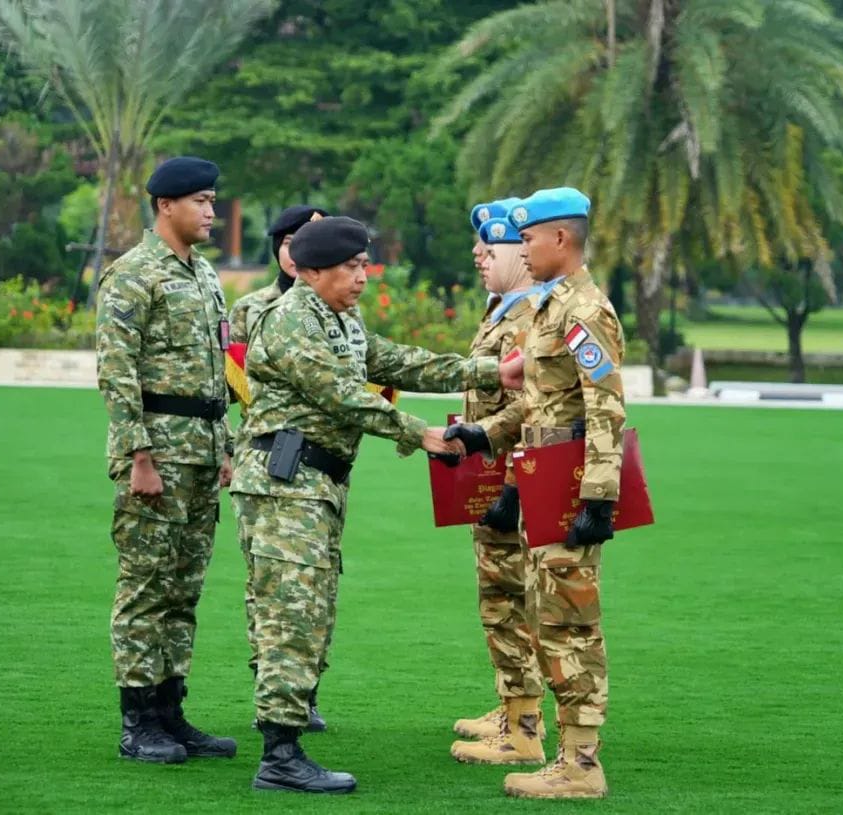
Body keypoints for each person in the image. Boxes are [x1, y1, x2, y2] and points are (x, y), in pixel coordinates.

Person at [230, 216, 523, 794]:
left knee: (312, 611)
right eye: (351, 267)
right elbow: (340, 395)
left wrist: (492, 371)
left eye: (365, 265)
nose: (363, 277)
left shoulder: (340, 318)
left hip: (315, 484)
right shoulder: (289, 320)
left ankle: (286, 740)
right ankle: (279, 757)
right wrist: (420, 433)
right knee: (291, 615)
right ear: (313, 271)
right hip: (284, 485)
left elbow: (398, 361)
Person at [445, 188, 625, 799]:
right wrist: (489, 440)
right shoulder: (553, 306)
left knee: (571, 624)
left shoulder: (586, 310)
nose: (521, 250)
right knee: (548, 618)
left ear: (560, 239)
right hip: (542, 477)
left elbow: (605, 408)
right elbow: (536, 406)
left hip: (570, 484)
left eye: (528, 239)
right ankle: (561, 751)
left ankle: (581, 765)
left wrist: (598, 499)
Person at [96, 156, 237, 765]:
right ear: (165, 206)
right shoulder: (133, 274)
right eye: (201, 201)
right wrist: (139, 456)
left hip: (200, 453)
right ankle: (137, 723)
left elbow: (217, 371)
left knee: (183, 591)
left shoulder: (203, 274)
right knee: (145, 588)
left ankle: (170, 712)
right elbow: (116, 371)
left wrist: (224, 446)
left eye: (212, 200)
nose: (211, 211)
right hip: (157, 455)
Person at [228, 204, 331, 732]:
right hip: (268, 458)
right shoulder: (252, 309)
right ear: (277, 248)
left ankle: (305, 691)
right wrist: (230, 452)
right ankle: (272, 689)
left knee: (320, 580)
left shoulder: (339, 309)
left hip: (322, 464)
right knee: (268, 584)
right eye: (290, 241)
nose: (298, 251)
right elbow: (229, 387)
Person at [450, 211, 548, 767]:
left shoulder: (527, 316)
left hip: (515, 481)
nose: (479, 255)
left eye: (493, 246)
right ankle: (515, 707)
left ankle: (523, 726)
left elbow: (530, 406)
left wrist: (506, 479)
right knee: (500, 600)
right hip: (492, 478)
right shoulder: (503, 311)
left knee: (510, 602)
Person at [229, 204, 329, 344]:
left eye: (309, 245)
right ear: (277, 249)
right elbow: (235, 357)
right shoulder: (248, 308)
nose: (297, 254)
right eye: (289, 244)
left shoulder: (337, 305)